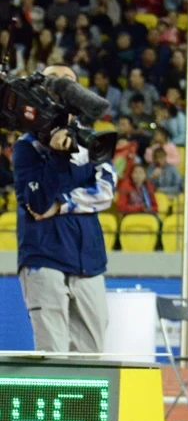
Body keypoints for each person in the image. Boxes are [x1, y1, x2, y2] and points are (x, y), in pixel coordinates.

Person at [14, 64, 118, 353]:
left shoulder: (92, 141)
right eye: (54, 82)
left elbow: (106, 190)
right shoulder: (28, 146)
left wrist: (62, 204)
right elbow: (37, 204)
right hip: (43, 255)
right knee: (52, 351)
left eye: (69, 83)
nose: (62, 89)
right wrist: (59, 157)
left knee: (92, 352)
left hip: (88, 258)